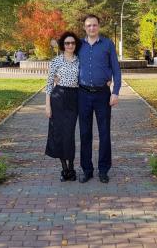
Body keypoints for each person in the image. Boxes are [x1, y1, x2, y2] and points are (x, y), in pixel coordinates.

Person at [77, 14, 121, 184]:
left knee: (104, 133)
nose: (92, 28)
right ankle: (87, 170)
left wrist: (115, 92)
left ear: (99, 26)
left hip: (103, 94)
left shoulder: (108, 45)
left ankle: (103, 170)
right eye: (88, 25)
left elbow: (116, 70)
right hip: (83, 94)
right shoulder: (79, 45)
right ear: (84, 27)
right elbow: (68, 63)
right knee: (85, 133)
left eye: (94, 25)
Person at [45, 31, 81, 182]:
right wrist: (47, 106)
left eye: (72, 43)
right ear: (63, 45)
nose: (70, 45)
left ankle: (72, 167)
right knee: (59, 133)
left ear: (75, 45)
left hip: (74, 97)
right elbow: (48, 84)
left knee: (70, 133)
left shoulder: (80, 60)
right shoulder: (56, 61)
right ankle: (64, 169)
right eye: (67, 43)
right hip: (58, 98)